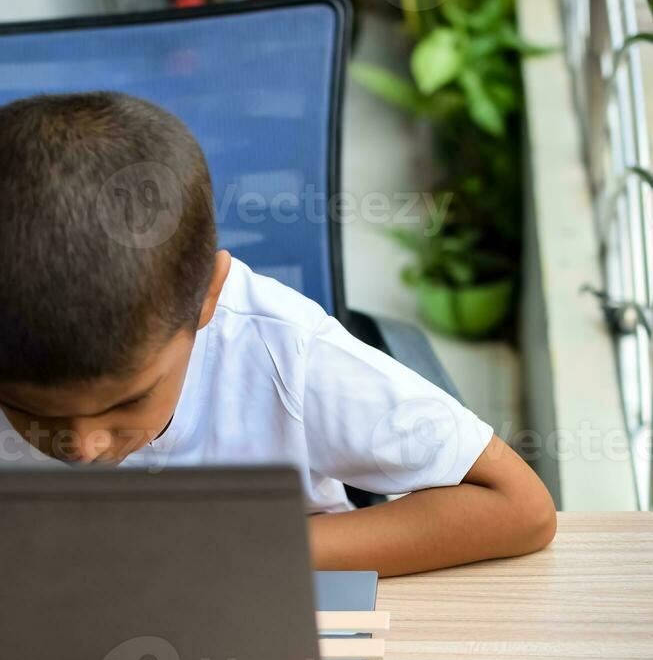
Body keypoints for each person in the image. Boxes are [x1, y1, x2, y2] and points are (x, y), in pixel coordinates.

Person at [0, 92, 556, 576]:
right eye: (29, 410)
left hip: (271, 615)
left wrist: (227, 551)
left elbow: (518, 508)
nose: (82, 446)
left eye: (127, 401)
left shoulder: (281, 351)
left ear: (208, 298)